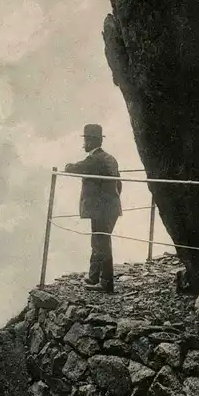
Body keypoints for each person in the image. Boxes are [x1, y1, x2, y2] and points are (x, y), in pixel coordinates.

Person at [65, 124, 122, 293]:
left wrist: (67, 166)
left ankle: (106, 283)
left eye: (86, 140)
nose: (84, 144)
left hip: (101, 210)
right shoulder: (109, 158)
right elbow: (119, 184)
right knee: (99, 241)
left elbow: (73, 168)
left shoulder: (94, 159)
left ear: (92, 141)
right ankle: (94, 277)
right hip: (111, 207)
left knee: (101, 243)